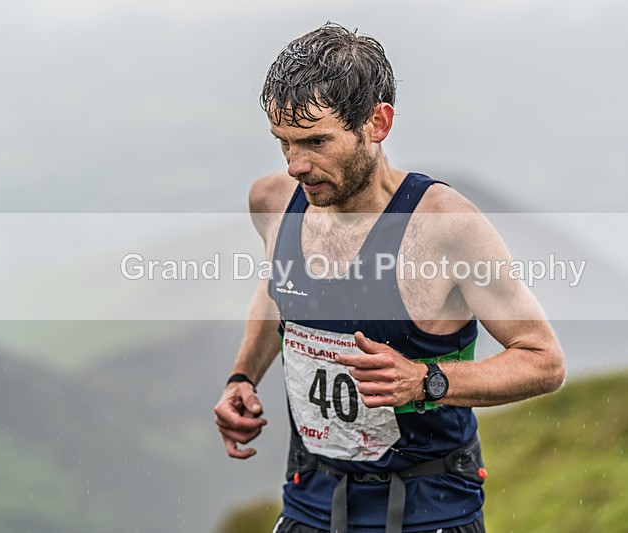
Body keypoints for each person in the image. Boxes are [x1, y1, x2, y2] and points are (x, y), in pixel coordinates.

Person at [214, 23, 565, 533]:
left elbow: (543, 361)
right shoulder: (272, 203)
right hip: (309, 502)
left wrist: (425, 381)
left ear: (377, 123)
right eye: (283, 143)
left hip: (431, 510)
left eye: (315, 141)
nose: (295, 166)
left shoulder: (443, 225)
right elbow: (278, 294)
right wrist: (242, 377)